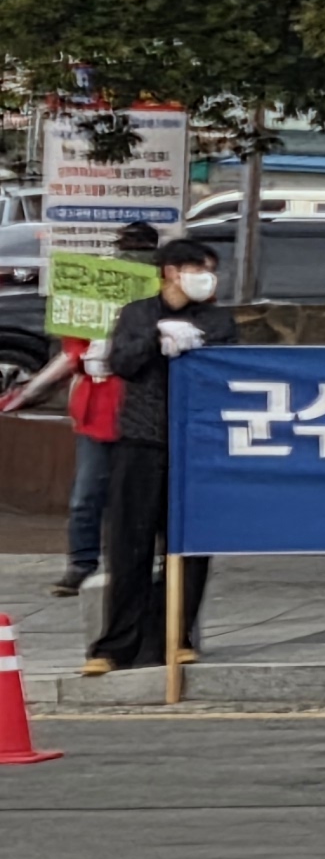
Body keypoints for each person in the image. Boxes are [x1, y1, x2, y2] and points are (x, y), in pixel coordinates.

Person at [89, 234, 238, 674]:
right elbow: (123, 363)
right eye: (199, 270)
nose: (207, 279)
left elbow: (231, 366)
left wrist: (199, 345)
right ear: (172, 272)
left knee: (188, 547)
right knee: (129, 546)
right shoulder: (138, 314)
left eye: (210, 272)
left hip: (194, 447)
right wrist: (156, 340)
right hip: (141, 441)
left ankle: (176, 636)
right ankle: (115, 645)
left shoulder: (217, 319)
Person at [16, 219, 158, 599]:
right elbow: (71, 349)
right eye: (126, 248)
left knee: (137, 497)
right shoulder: (93, 291)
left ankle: (132, 566)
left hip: (143, 411)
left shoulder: (161, 296)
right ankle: (81, 563)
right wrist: (84, 357)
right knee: (86, 496)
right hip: (95, 409)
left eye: (139, 249)